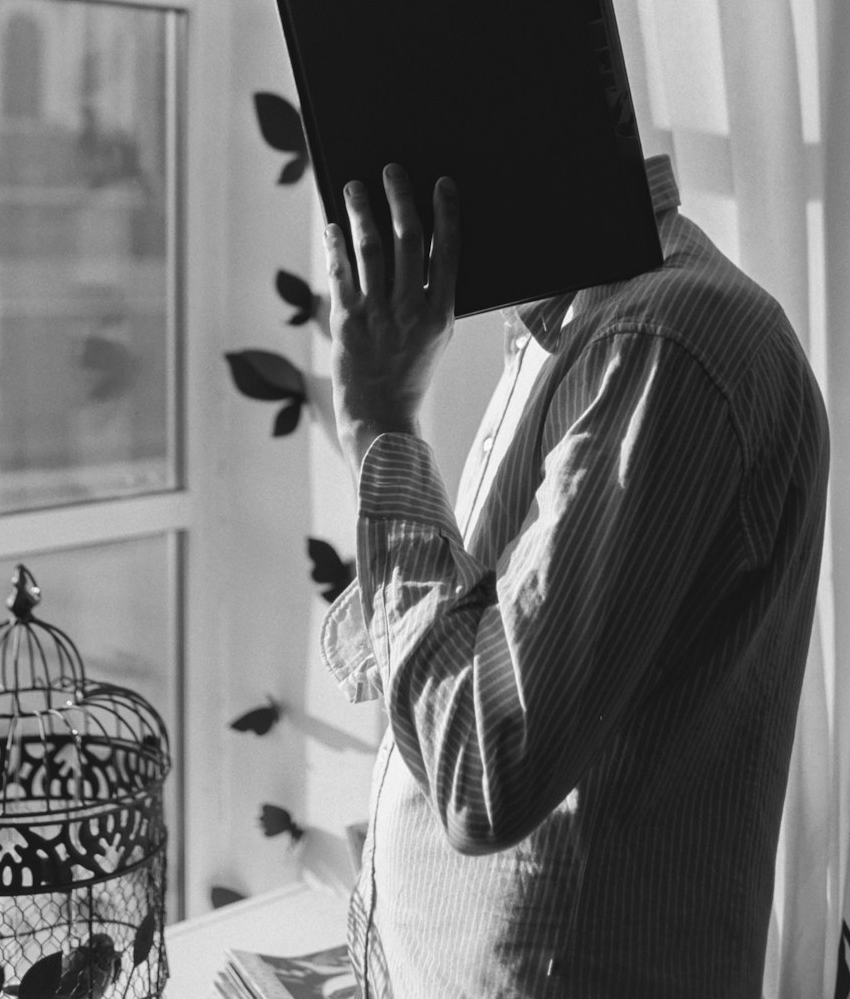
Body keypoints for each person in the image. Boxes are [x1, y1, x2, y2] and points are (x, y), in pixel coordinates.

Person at [320, 157, 828, 998]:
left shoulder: (653, 344)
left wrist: (378, 419)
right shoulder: (582, 325)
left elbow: (487, 764)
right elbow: (503, 646)